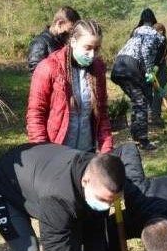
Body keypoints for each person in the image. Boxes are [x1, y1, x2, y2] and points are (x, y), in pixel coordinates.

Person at [26, 20, 113, 154]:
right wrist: (42, 154)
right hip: (56, 154)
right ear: (73, 42)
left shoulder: (98, 69)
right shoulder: (49, 67)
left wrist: (107, 151)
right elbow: (35, 115)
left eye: (96, 49)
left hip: (86, 152)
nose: (92, 54)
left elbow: (102, 114)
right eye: (88, 48)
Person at [110, 8, 166, 151]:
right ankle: (143, 140)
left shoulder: (136, 31)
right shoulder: (155, 35)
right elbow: (147, 53)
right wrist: (149, 70)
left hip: (118, 66)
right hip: (130, 67)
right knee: (142, 103)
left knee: (138, 100)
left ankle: (137, 136)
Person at [27, 6, 80, 74]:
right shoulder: (39, 43)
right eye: (70, 29)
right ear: (59, 23)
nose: (71, 33)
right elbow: (36, 73)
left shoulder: (61, 41)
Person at [151, 22, 167, 128]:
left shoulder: (164, 41)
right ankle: (151, 115)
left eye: (161, 31)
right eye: (157, 31)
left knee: (159, 92)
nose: (160, 33)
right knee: (149, 92)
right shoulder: (150, 40)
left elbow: (161, 56)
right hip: (150, 70)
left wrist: (156, 67)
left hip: (161, 69)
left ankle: (156, 117)